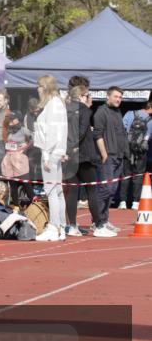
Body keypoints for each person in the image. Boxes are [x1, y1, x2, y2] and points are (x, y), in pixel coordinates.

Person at [64, 83, 114, 237]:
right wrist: (72, 146)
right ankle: (99, 226)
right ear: (81, 96)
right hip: (84, 156)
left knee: (72, 191)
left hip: (70, 157)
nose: (90, 98)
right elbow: (80, 130)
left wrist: (66, 149)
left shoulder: (66, 110)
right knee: (92, 190)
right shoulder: (83, 110)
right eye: (88, 95)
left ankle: (72, 225)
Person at [33, 74, 68, 242]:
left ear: (44, 88)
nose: (38, 90)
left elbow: (53, 133)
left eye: (39, 87)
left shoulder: (53, 105)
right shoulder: (57, 103)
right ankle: (60, 226)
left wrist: (48, 155)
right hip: (56, 152)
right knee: (58, 191)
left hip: (50, 153)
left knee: (51, 191)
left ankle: (54, 227)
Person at [92, 86, 128, 233]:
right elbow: (97, 135)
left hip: (118, 156)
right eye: (116, 96)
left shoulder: (117, 112)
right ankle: (97, 221)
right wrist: (104, 154)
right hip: (108, 157)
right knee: (105, 189)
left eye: (120, 97)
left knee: (111, 190)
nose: (118, 99)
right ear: (108, 96)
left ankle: (104, 220)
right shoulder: (101, 112)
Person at [117, 101, 152, 210]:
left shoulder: (129, 113)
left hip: (127, 149)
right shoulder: (150, 120)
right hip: (141, 151)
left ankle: (122, 201)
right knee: (139, 175)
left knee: (125, 175)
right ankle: (135, 202)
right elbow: (148, 136)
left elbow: (121, 129)